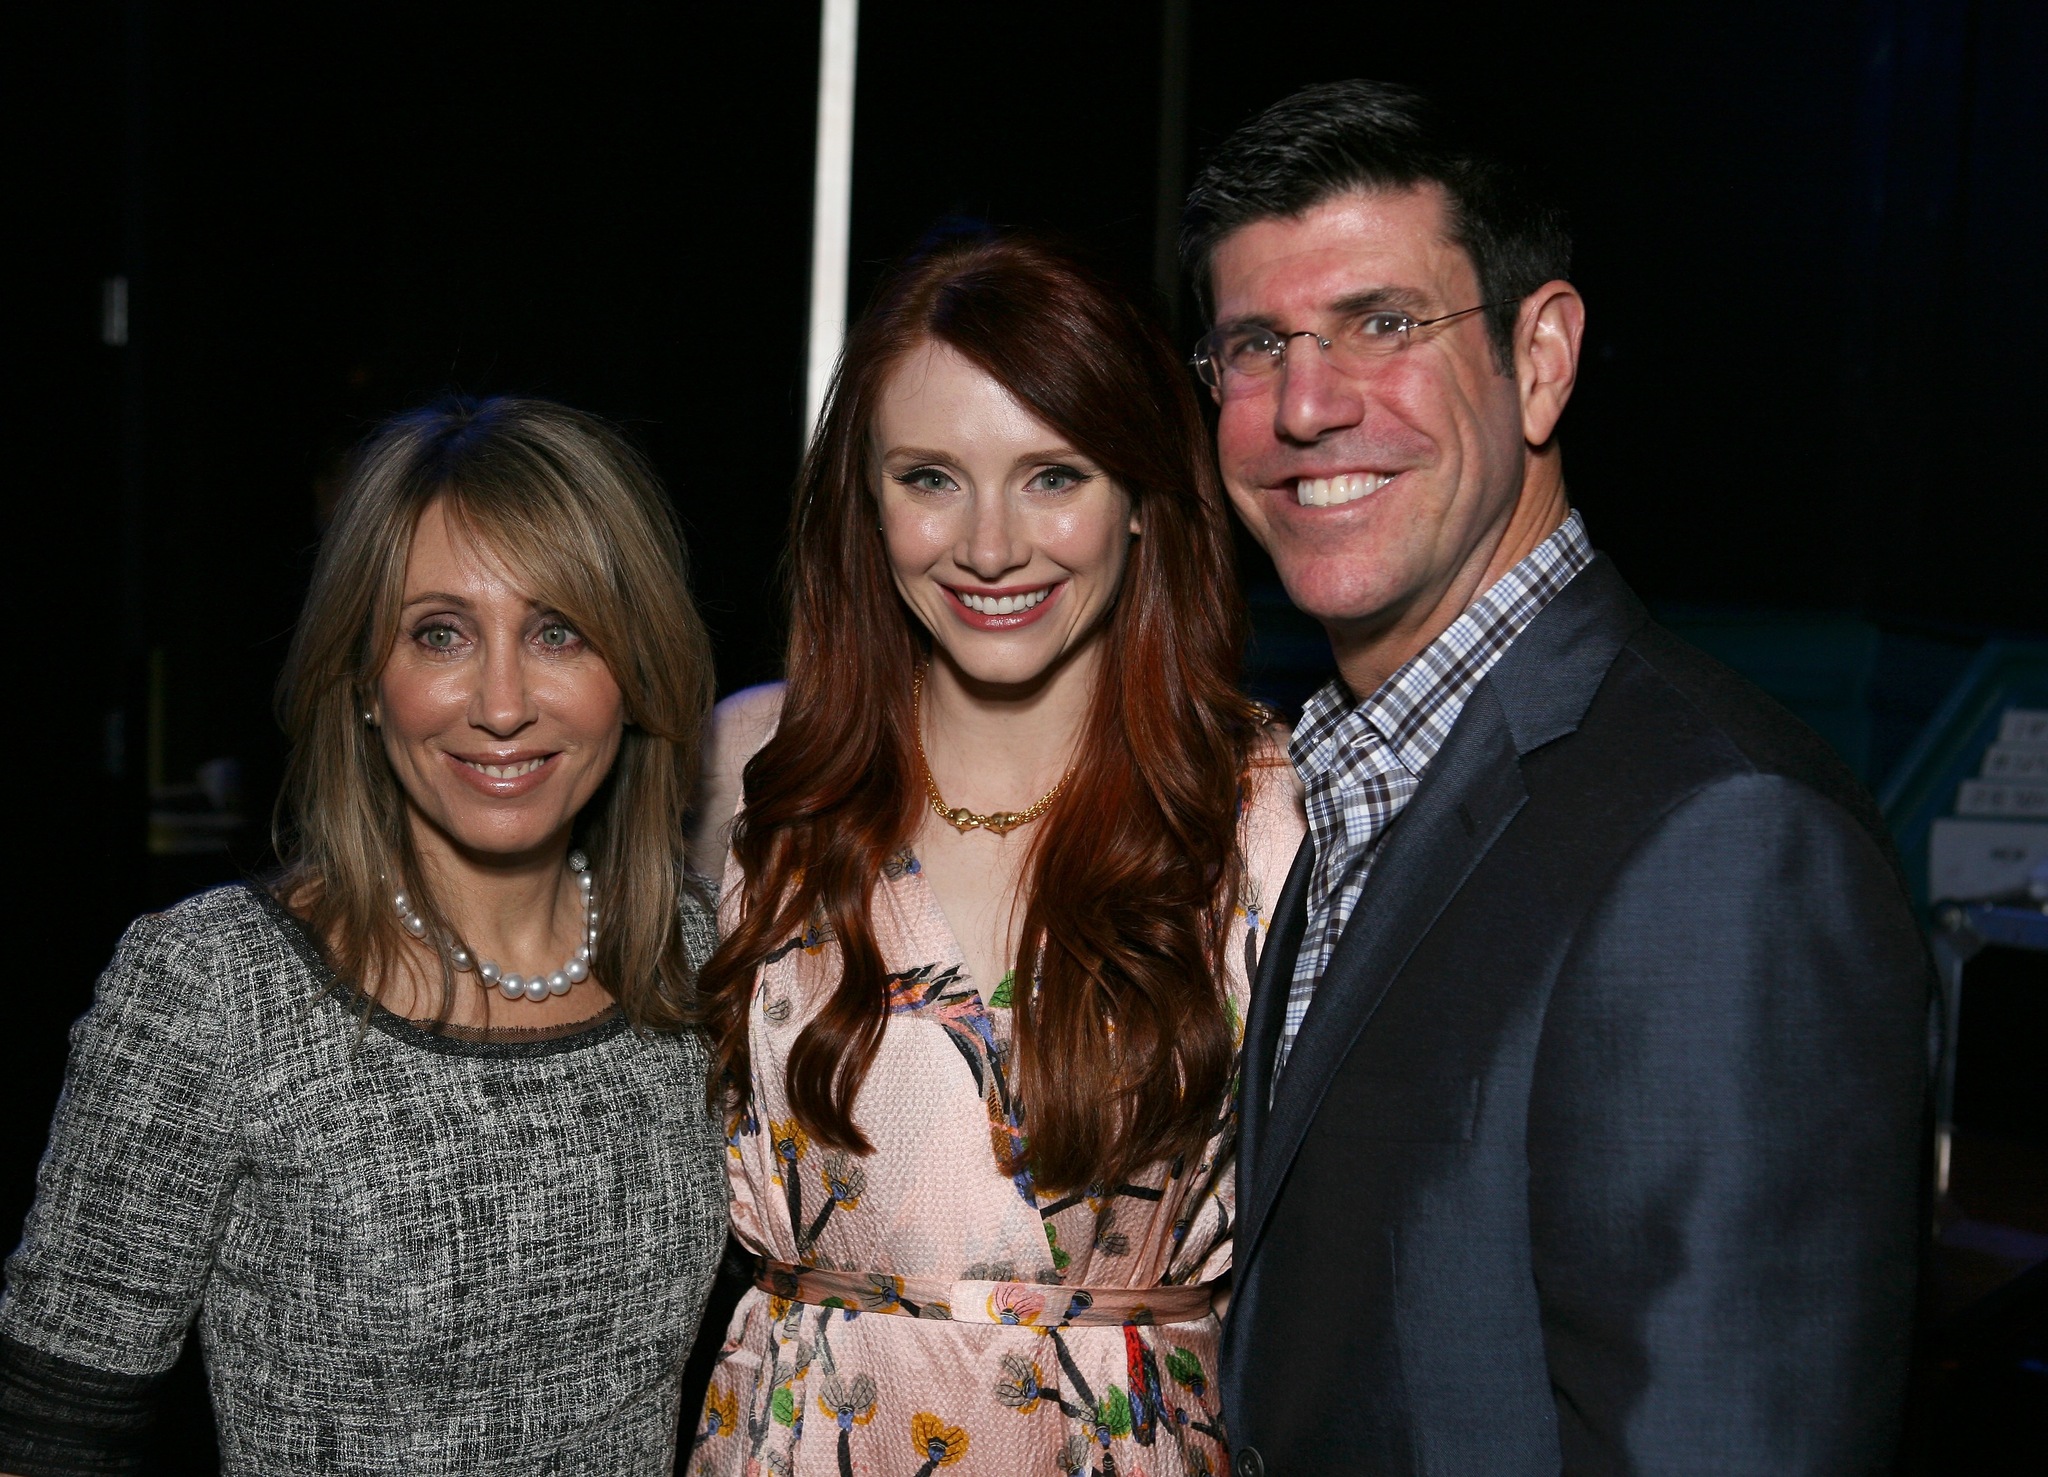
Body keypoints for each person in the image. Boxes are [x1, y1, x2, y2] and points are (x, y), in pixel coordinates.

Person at [1182, 82, 1932, 1475]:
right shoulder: (1338, 768)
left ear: (1541, 359)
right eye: (1254, 344)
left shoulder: (1725, 834)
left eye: (1383, 324)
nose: (1303, 404)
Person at [0, 398, 730, 1475]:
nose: (499, 701)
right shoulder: (212, 990)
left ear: (634, 674)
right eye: (439, 633)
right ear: (363, 684)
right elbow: (52, 1435)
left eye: (557, 631)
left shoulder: (696, 957)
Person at [684, 236, 1304, 1477]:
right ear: (862, 499)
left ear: (1140, 496)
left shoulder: (1269, 809)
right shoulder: (751, 769)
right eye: (928, 477)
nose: (987, 546)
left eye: (1051, 475)